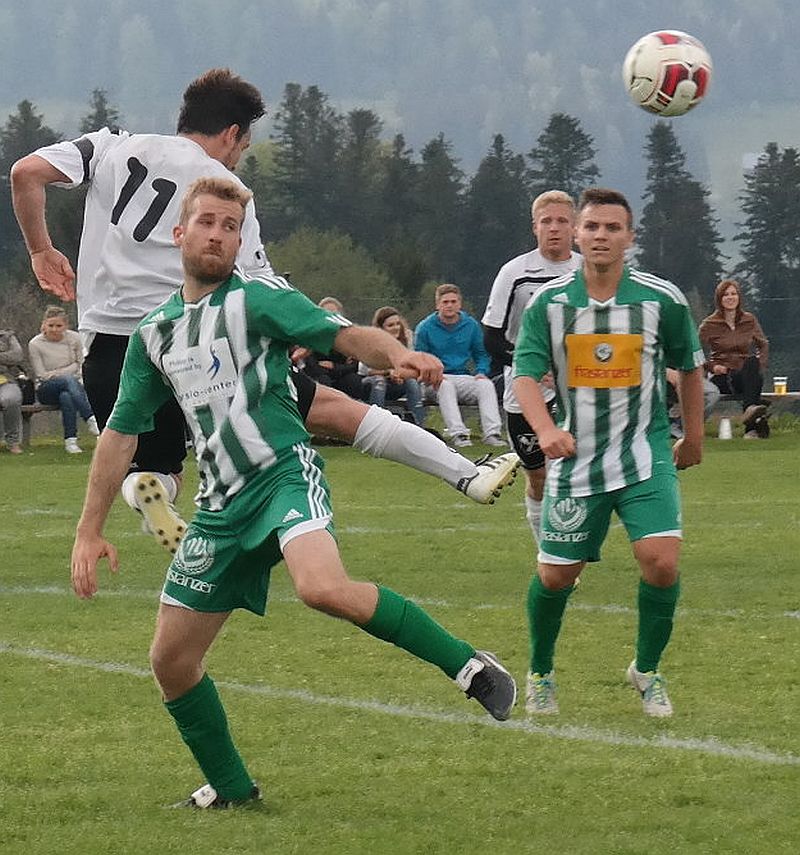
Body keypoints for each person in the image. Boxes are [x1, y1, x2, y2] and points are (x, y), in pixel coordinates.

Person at [70, 178, 517, 807]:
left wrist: (394, 351)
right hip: (219, 508)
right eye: (207, 222)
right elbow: (120, 435)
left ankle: (469, 666)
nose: (217, 235)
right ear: (179, 233)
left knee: (320, 588)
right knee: (171, 661)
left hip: (283, 472)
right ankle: (233, 792)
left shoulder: (258, 301)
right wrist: (88, 531)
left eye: (230, 226)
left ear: (239, 241)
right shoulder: (153, 334)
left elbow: (344, 334)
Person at [11, 67, 519, 552]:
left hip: (109, 348)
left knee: (153, 467)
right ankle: (465, 473)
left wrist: (41, 249)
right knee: (334, 410)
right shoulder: (223, 194)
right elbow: (259, 282)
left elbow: (26, 172)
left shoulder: (112, 146)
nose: (237, 160)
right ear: (232, 134)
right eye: (243, 148)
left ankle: (155, 489)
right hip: (197, 339)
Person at [513, 187, 704, 718]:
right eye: (592, 227)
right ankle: (541, 672)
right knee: (556, 577)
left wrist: (693, 436)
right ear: (577, 235)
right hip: (576, 459)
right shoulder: (549, 304)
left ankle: (647, 670)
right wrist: (545, 430)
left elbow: (690, 366)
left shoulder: (661, 299)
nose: (601, 236)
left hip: (646, 454)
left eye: (612, 228)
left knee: (661, 562)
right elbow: (525, 374)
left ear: (629, 237)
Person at [483, 190, 582, 544]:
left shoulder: (586, 270)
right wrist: (535, 368)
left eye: (561, 221)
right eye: (546, 221)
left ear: (574, 227)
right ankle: (546, 550)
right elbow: (492, 339)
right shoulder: (515, 272)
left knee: (572, 472)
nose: (554, 228)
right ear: (534, 227)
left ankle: (568, 547)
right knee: (538, 476)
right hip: (524, 390)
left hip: (578, 387)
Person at [415, 284, 506, 448]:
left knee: (486, 385)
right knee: (445, 386)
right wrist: (432, 375)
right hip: (434, 380)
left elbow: (481, 354)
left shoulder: (470, 325)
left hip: (462, 376)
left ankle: (492, 434)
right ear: (437, 305)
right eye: (445, 302)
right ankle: (459, 434)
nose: (449, 305)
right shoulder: (425, 328)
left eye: (453, 302)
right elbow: (420, 358)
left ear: (459, 304)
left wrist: (481, 371)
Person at [698, 279, 770, 438]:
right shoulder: (709, 324)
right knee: (754, 381)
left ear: (739, 297)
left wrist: (761, 365)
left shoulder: (749, 320)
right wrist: (712, 366)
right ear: (719, 299)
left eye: (733, 294)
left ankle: (751, 415)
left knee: (752, 364)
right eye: (726, 295)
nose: (730, 298)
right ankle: (753, 424)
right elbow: (695, 351)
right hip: (723, 376)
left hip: (746, 373)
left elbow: (763, 344)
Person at [28, 306, 99, 453]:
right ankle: (90, 417)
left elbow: (81, 365)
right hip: (46, 389)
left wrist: (69, 371)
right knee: (67, 380)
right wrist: (69, 370)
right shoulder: (35, 344)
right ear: (44, 325)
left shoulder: (75, 338)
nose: (54, 329)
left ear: (66, 326)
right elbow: (42, 374)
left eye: (59, 326)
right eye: (51, 325)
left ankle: (70, 441)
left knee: (66, 396)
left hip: (74, 386)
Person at [359, 306, 426, 426]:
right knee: (379, 382)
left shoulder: (407, 338)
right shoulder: (370, 341)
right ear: (381, 328)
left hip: (397, 382)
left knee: (411, 381)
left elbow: (411, 365)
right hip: (371, 383)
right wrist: (388, 372)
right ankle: (376, 424)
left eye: (397, 324)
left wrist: (400, 373)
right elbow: (363, 370)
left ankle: (419, 425)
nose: (396, 328)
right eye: (390, 325)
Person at [301, 297, 367, 402]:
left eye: (334, 313)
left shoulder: (348, 337)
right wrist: (337, 368)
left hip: (341, 375)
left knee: (354, 380)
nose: (330, 316)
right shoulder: (311, 335)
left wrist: (334, 366)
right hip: (319, 375)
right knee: (323, 380)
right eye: (326, 313)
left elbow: (354, 366)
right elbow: (311, 365)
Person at [0, 327, 25, 454]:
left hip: (6, 381)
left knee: (11, 399)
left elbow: (17, 356)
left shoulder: (7, 336)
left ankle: (13, 442)